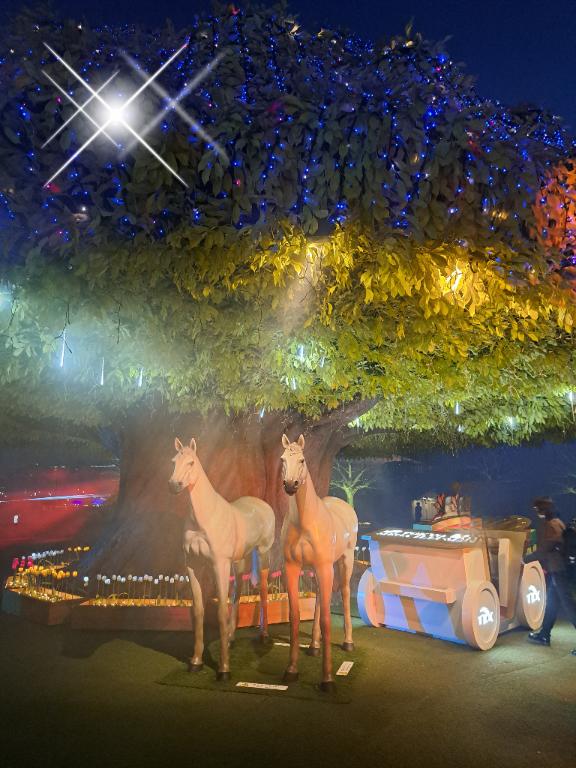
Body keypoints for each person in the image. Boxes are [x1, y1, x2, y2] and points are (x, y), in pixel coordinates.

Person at [526, 497, 576, 655]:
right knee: (552, 602)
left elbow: (545, 548)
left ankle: (544, 634)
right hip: (559, 569)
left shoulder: (550, 525)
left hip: (558, 569)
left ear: (542, 509)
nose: (536, 512)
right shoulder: (558, 522)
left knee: (569, 606)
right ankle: (544, 634)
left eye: (537, 509)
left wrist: (526, 559)